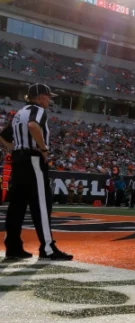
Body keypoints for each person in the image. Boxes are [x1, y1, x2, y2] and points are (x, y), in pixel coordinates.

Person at [1, 83, 73, 261]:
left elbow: (3, 135)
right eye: (48, 97)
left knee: (16, 205)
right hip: (32, 160)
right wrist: (44, 149)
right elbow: (33, 126)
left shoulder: (19, 113)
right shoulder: (37, 110)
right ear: (41, 97)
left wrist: (15, 148)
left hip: (19, 160)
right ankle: (48, 248)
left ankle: (13, 246)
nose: (49, 100)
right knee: (42, 203)